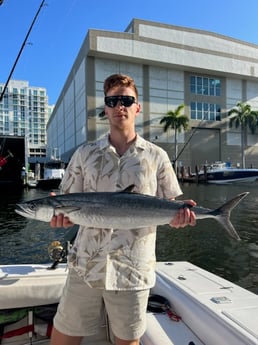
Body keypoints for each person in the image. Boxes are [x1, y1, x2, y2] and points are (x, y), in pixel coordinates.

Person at [50, 73, 196, 345]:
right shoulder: (84, 153)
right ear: (105, 108)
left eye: (127, 100)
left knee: (128, 340)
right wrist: (61, 218)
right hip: (85, 264)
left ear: (137, 107)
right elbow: (69, 204)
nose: (120, 106)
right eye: (113, 100)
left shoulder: (157, 155)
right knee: (65, 333)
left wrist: (179, 218)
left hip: (133, 269)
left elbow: (171, 206)